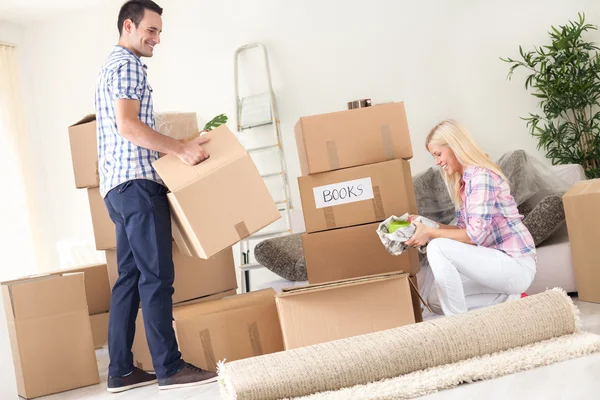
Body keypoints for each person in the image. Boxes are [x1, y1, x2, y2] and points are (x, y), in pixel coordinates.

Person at [95, 0, 216, 393]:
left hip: (116, 189)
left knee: (129, 279)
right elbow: (129, 127)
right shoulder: (128, 65)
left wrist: (179, 144)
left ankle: (121, 371)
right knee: (157, 278)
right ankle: (169, 367)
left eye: (159, 32)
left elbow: (124, 129)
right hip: (137, 187)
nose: (157, 39)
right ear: (128, 26)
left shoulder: (109, 67)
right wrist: (180, 150)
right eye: (151, 31)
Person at [405, 120, 537, 316]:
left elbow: (473, 236)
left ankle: (461, 326)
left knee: (436, 246)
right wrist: (426, 224)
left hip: (515, 263)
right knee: (435, 300)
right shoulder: (464, 183)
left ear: (454, 146)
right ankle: (514, 300)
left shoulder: (481, 177)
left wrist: (430, 234)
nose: (437, 162)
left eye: (438, 154)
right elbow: (462, 230)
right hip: (496, 265)